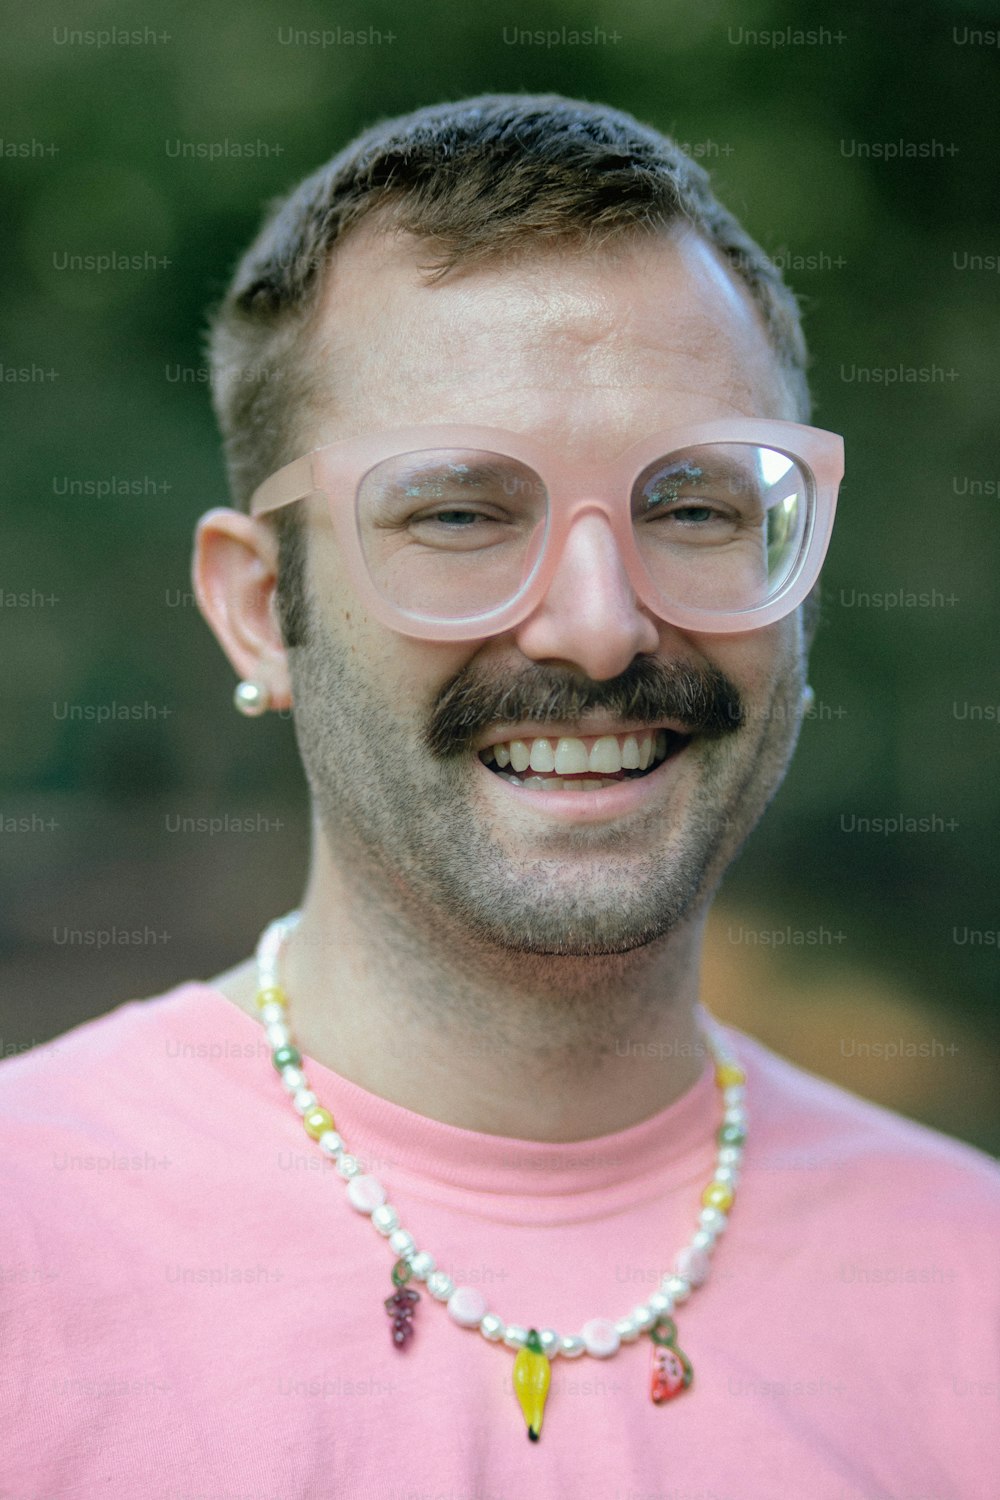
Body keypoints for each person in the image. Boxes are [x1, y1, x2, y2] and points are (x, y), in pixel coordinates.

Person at [2, 93, 997, 1498]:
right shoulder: (26, 1251)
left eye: (697, 508)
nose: (598, 627)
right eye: (462, 513)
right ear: (256, 605)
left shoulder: (976, 1291)